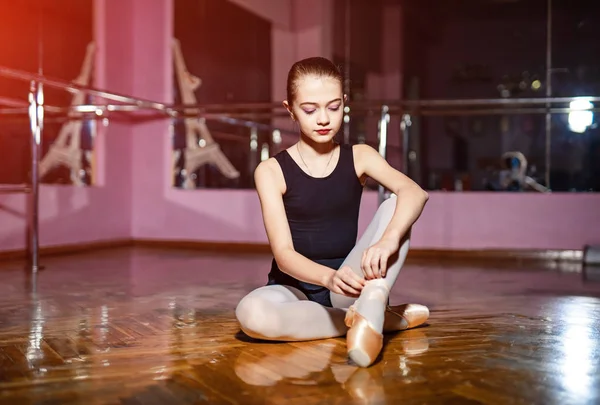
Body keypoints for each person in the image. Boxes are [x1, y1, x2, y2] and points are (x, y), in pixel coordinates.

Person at [235, 56, 430, 368]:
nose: (323, 118)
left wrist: (387, 241)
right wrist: (328, 277)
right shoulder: (271, 171)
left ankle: (370, 302)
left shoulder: (360, 156)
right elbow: (284, 254)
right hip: (294, 289)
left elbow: (414, 193)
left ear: (344, 103)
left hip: (354, 284)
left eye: (334, 107)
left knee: (396, 205)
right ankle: (369, 319)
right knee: (251, 315)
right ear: (290, 109)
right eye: (310, 110)